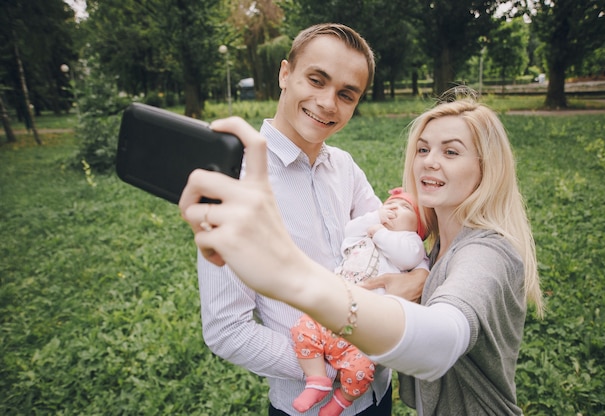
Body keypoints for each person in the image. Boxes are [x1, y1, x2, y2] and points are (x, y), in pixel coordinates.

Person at [179, 93, 544, 415]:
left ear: (487, 168)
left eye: (451, 151)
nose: (429, 161)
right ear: (285, 75)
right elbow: (227, 329)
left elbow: (444, 340)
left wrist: (296, 278)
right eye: (422, 148)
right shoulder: (439, 245)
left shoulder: (486, 253)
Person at [194, 23, 428, 416]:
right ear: (286, 74)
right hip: (307, 406)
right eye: (316, 80)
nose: (327, 103)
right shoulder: (235, 182)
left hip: (378, 391)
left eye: (346, 94)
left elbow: (391, 243)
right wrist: (330, 366)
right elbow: (226, 328)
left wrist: (419, 276)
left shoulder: (345, 167)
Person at [291, 188, 429, 415]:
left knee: (362, 368)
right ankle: (316, 380)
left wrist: (380, 234)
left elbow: (408, 256)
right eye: (391, 203)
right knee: (303, 328)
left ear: (418, 227)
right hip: (333, 310)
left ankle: (342, 399)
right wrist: (375, 220)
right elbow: (351, 229)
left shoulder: (409, 242)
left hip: (365, 327)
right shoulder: (365, 233)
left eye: (405, 207)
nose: (394, 207)